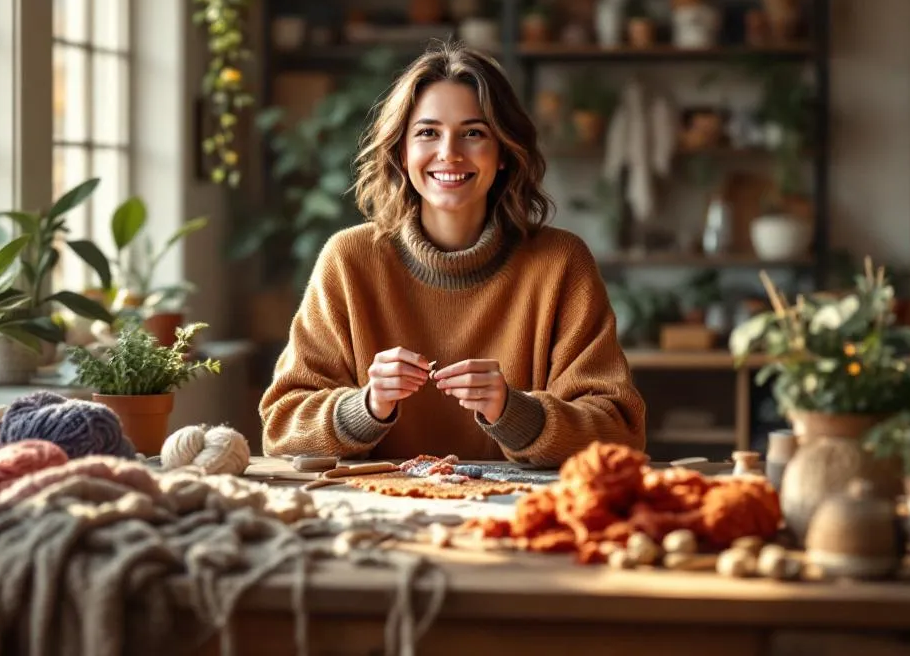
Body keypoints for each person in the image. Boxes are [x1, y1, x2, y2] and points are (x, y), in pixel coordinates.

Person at [259, 42, 647, 467]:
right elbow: (281, 428)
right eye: (427, 132)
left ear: (503, 152)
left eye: (474, 133)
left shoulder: (561, 261)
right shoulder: (348, 260)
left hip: (519, 515)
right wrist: (366, 407)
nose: (449, 153)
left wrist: (513, 412)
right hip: (376, 512)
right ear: (402, 153)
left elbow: (620, 433)